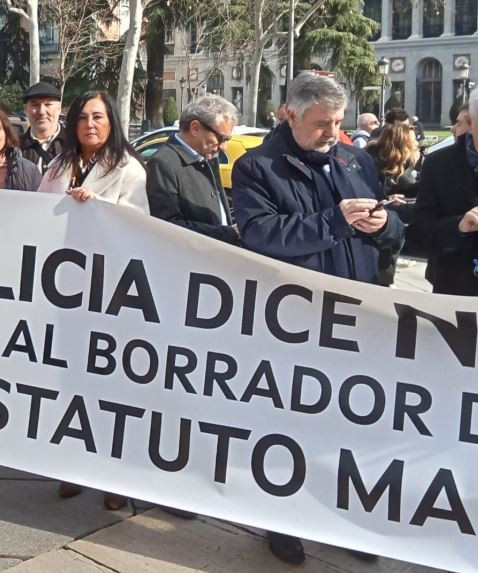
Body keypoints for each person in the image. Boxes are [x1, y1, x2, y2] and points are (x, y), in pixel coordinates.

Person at [232, 72, 404, 564]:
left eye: (338, 122)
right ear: (290, 114)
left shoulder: (356, 159)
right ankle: (282, 519)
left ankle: (346, 519)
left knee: (352, 426)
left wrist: (383, 224)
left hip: (358, 314)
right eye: (322, 123)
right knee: (290, 425)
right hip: (295, 321)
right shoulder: (257, 167)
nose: (333, 132)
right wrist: (336, 220)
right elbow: (262, 234)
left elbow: (392, 226)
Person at [37, 90, 147, 511]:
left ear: (111, 121)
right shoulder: (61, 164)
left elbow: (138, 225)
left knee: (108, 385)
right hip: (62, 290)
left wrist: (96, 205)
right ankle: (72, 467)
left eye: (98, 117)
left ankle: (112, 475)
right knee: (68, 380)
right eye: (83, 117)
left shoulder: (128, 169)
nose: (90, 125)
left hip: (108, 293)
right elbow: (35, 211)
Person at [411, 80, 478, 296]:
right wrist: (459, 227)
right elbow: (417, 238)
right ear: (470, 123)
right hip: (456, 294)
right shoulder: (439, 164)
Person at [146, 94, 239, 244]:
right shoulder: (162, 163)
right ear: (195, 128)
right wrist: (227, 233)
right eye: (221, 138)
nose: (223, 147)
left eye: (227, 140)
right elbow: (168, 226)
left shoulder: (207, 157)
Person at [364, 123, 419, 285]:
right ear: (402, 142)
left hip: (388, 236)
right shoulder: (373, 163)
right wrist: (388, 200)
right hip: (376, 236)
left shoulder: (397, 161)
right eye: (413, 141)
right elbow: (370, 196)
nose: (417, 144)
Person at [18, 81, 65, 173]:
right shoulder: (15, 148)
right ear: (25, 109)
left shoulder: (74, 145)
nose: (42, 111)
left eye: (48, 105)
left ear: (59, 108)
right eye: (35, 105)